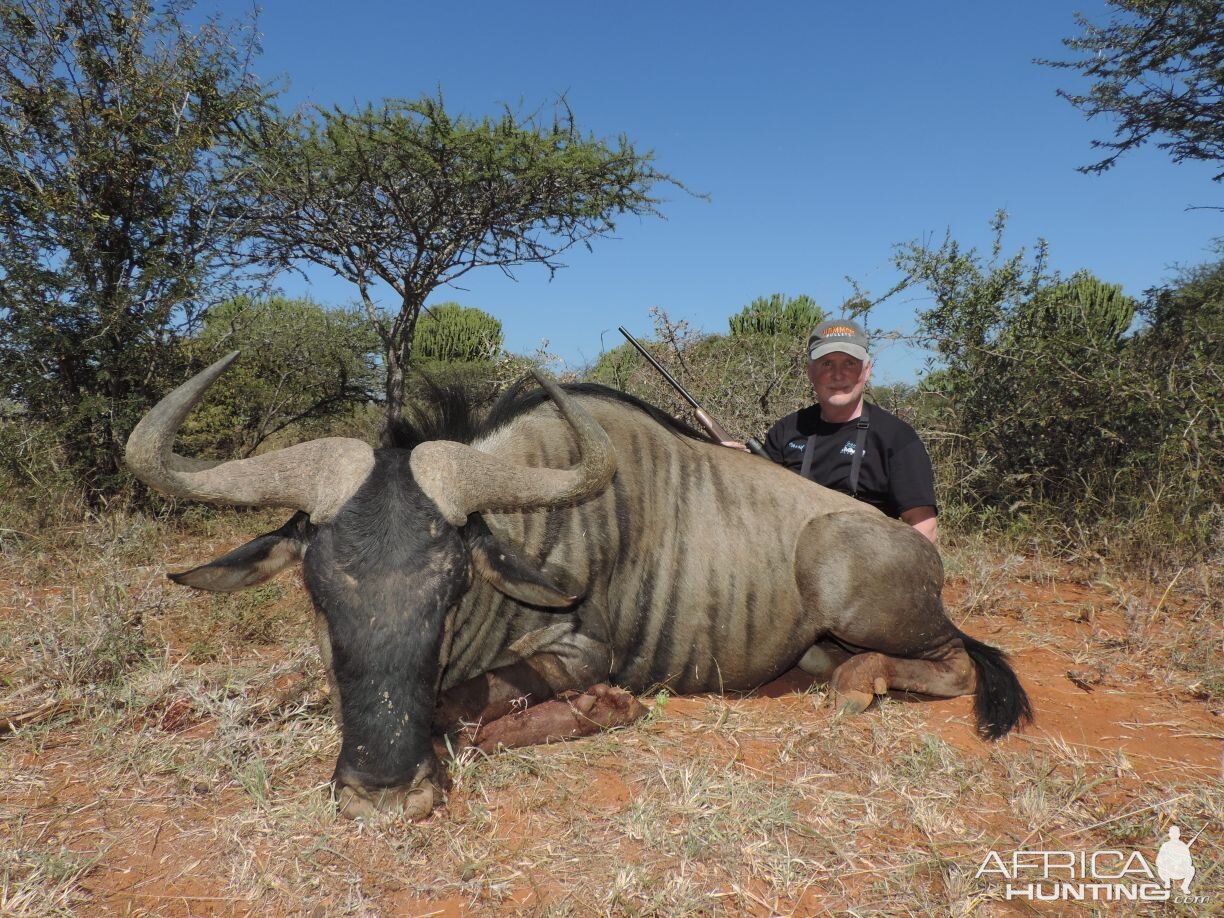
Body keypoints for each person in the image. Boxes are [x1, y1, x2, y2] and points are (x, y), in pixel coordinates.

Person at [727, 318, 938, 543]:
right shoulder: (787, 430)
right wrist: (736, 467)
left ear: (867, 370)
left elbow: (923, 526)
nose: (838, 375)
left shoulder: (896, 437)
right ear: (810, 371)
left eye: (849, 363)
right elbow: (761, 504)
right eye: (827, 363)